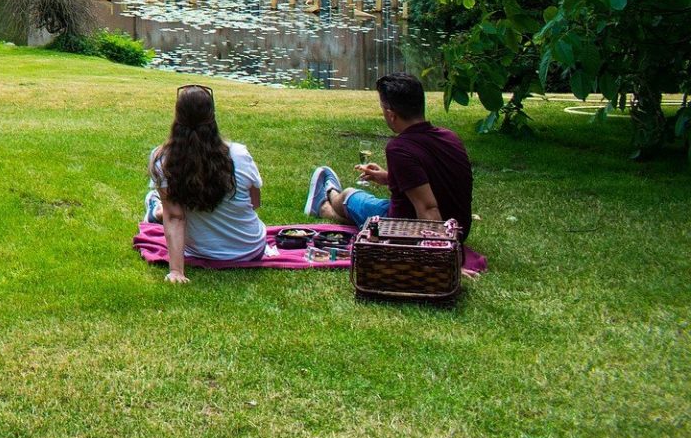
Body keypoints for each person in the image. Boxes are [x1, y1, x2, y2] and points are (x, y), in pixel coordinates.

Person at [305, 71, 473, 239]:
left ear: (392, 115)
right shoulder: (450, 137)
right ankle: (334, 209)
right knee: (370, 207)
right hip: (457, 229)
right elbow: (436, 181)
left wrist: (439, 248)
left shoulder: (400, 148)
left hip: (406, 229)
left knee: (349, 196)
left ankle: (326, 201)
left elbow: (428, 208)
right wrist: (389, 178)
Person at [145, 84, 267, 283]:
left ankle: (156, 209)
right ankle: (156, 209)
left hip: (200, 252)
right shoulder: (240, 155)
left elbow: (176, 218)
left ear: (177, 116)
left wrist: (177, 272)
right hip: (250, 249)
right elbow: (255, 203)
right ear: (212, 115)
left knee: (170, 210)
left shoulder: (163, 160)